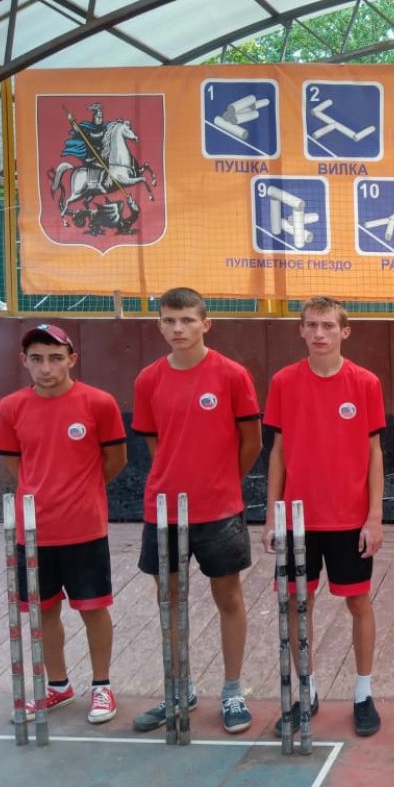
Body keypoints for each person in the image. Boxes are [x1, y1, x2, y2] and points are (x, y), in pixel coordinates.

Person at [132, 287, 262, 734]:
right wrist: (176, 476)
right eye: (170, 320)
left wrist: (221, 480)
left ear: (206, 324)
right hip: (163, 511)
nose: (178, 328)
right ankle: (179, 689)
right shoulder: (148, 379)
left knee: (229, 598)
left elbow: (252, 442)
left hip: (219, 509)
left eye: (187, 320)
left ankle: (232, 691)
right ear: (159, 325)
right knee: (169, 602)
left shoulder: (232, 375)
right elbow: (155, 443)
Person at [0, 324, 127, 723]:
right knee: (43, 611)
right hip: (32, 532)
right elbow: (14, 463)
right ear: (24, 361)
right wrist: (42, 492)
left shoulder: (99, 403)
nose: (46, 367)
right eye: (37, 359)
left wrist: (81, 491)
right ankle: (58, 686)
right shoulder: (10, 408)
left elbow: (115, 460)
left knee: (93, 609)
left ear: (72, 359)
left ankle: (101, 687)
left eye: (55, 358)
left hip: (85, 529)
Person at [264, 297, 385, 737]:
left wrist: (374, 517)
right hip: (297, 519)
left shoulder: (365, 383)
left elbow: (374, 453)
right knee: (299, 604)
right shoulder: (283, 382)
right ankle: (307, 689)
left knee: (359, 602)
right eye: (312, 325)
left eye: (328, 326)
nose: (319, 333)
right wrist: (273, 515)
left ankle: (363, 693)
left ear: (344, 331)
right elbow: (278, 452)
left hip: (349, 518)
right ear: (301, 330)